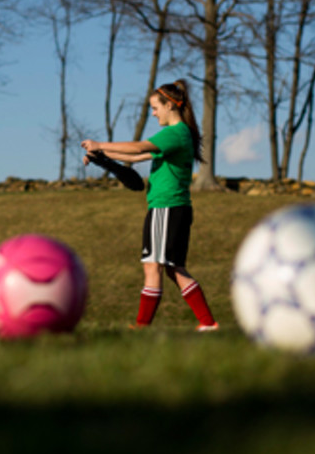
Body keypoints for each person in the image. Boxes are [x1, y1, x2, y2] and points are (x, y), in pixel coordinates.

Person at [81, 80, 218, 331]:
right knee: (171, 268)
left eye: (155, 108)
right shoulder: (179, 135)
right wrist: (102, 157)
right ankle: (207, 323)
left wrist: (101, 145)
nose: (153, 113)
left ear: (169, 105)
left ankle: (144, 326)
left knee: (154, 265)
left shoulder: (174, 133)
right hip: (171, 208)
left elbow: (139, 147)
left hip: (166, 207)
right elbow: (135, 157)